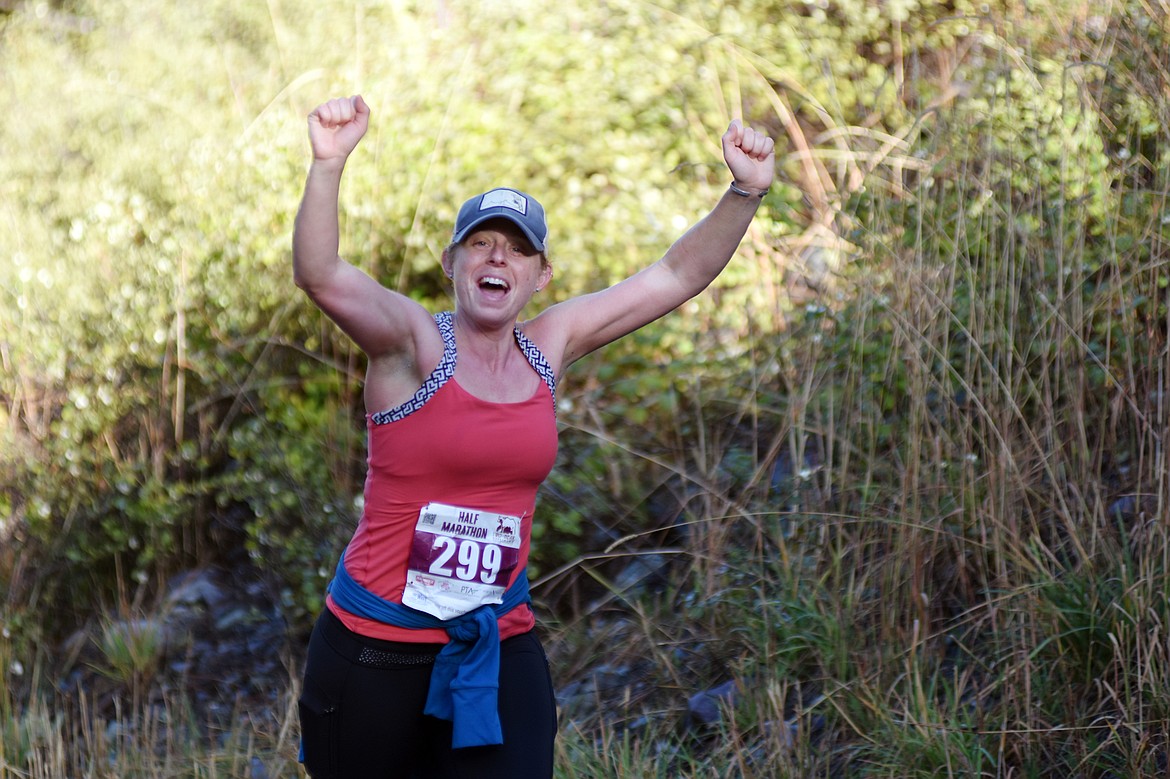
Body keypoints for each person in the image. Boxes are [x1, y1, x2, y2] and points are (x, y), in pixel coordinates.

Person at [292, 94, 775, 779]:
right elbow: (321, 275)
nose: (499, 257)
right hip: (376, 648)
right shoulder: (412, 343)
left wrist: (744, 191)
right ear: (452, 260)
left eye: (519, 249)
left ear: (540, 276)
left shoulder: (550, 345)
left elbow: (676, 275)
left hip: (496, 639)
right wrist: (328, 163)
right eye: (482, 243)